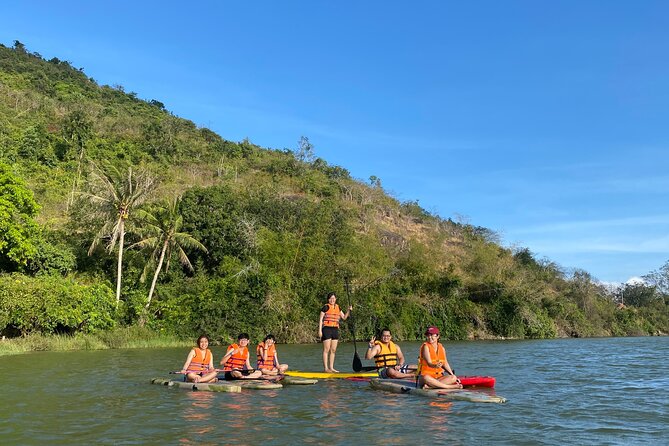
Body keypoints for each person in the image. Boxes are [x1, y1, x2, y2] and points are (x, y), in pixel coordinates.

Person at [318, 292, 351, 372]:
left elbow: (344, 317)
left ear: (335, 299)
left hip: (335, 329)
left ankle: (331, 367)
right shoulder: (325, 307)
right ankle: (326, 368)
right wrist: (320, 331)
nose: (332, 300)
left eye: (333, 298)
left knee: (333, 350)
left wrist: (348, 310)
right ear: (328, 299)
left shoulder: (338, 307)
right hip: (327, 329)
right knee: (327, 349)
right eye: (330, 298)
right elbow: (321, 319)